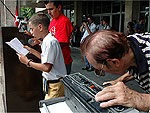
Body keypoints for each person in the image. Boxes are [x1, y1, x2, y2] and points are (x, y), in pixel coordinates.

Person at [81, 29, 150, 112]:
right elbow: (136, 66)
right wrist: (118, 80)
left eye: (100, 70)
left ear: (114, 62)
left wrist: (138, 99)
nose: (102, 73)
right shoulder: (128, 46)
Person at [17, 13, 67, 100]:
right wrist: (31, 50)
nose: (31, 33)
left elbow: (46, 67)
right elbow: (44, 58)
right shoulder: (46, 40)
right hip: (51, 84)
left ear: (40, 27)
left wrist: (27, 62)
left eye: (32, 29)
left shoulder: (50, 42)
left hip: (55, 85)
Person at [44, 1, 73, 75]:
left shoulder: (64, 21)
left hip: (62, 62)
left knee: (59, 85)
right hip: (54, 60)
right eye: (47, 9)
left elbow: (61, 43)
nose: (49, 12)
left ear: (59, 7)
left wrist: (45, 48)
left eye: (51, 9)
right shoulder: (53, 20)